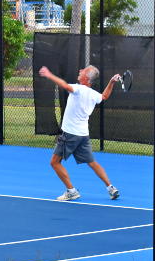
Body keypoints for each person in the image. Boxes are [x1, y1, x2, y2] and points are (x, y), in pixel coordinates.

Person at [38, 64, 121, 201]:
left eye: (83, 71)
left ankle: (71, 191)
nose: (80, 71)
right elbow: (105, 96)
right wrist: (111, 82)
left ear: (87, 79)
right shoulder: (94, 95)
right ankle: (111, 188)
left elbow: (65, 85)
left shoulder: (78, 89)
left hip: (70, 134)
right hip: (83, 135)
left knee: (54, 162)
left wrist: (49, 75)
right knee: (92, 162)